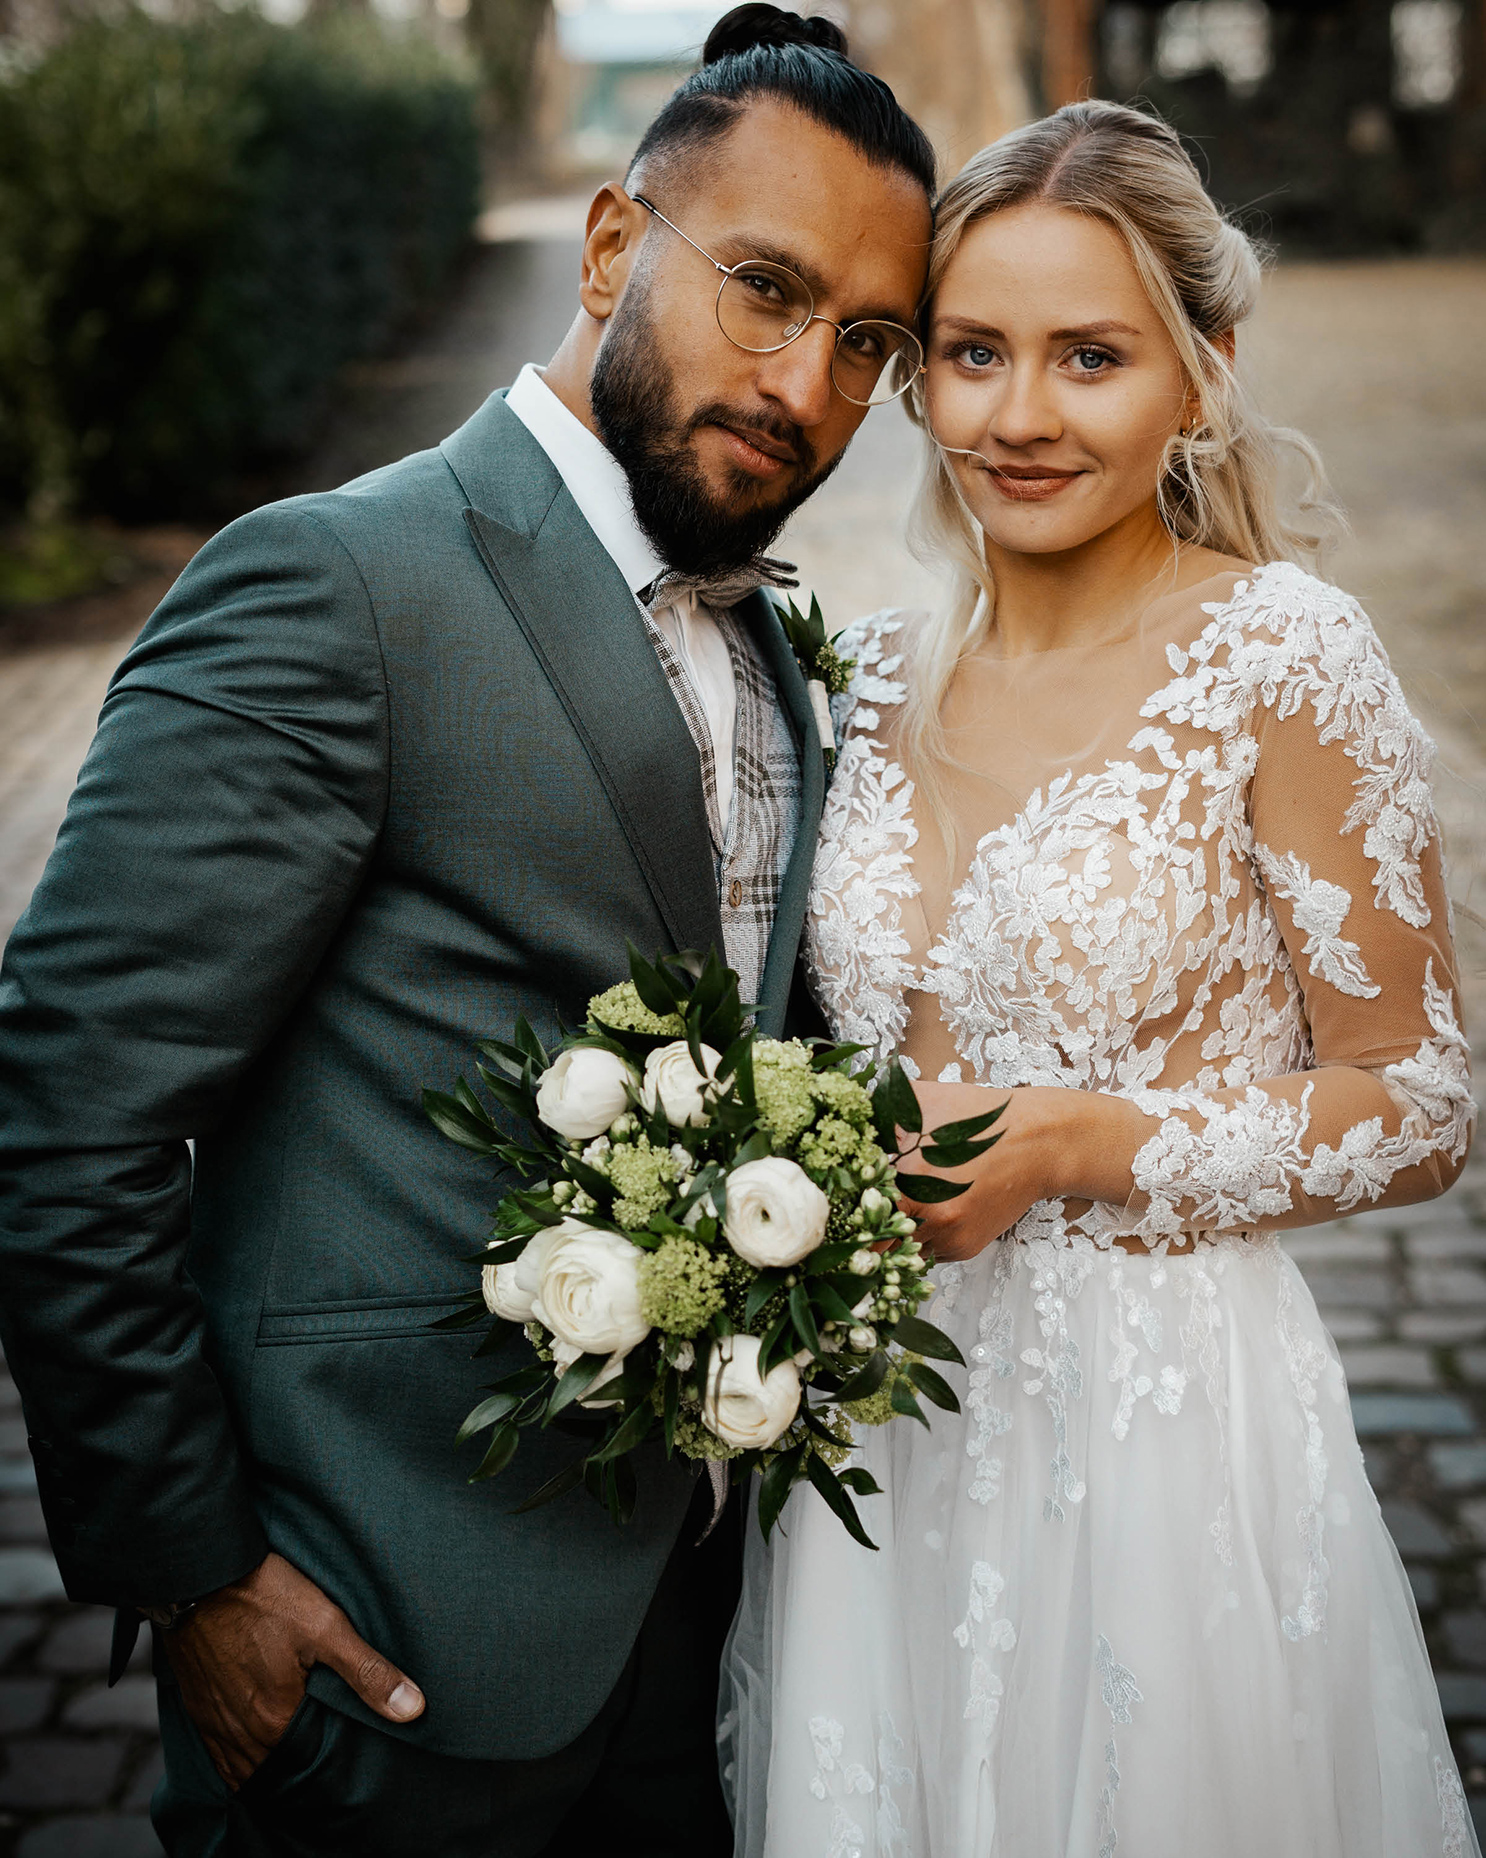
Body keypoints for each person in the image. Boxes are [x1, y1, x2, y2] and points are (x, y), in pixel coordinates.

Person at [0, 8, 933, 1852]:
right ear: (608, 246)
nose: (805, 381)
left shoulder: (769, 639)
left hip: (698, 1638)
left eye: (867, 343)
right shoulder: (333, 582)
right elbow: (64, 1108)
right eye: (763, 288)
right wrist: (199, 1581)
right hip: (377, 1649)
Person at [723, 99, 1478, 1857]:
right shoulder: (868, 671)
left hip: (1162, 1446)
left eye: (1088, 356)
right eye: (974, 353)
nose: (1020, 415)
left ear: (1201, 368)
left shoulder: (1280, 656)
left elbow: (1421, 1099)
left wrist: (1078, 1144)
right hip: (875, 1436)